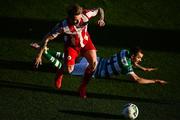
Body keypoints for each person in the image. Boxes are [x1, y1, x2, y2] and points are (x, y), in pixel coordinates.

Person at [34, 3, 105, 98]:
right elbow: (46, 38)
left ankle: (82, 88)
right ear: (69, 17)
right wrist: (39, 55)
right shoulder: (62, 26)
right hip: (72, 47)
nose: (77, 22)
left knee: (94, 64)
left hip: (86, 43)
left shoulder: (86, 14)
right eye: (74, 20)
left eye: (78, 19)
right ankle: (60, 72)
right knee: (69, 70)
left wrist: (101, 19)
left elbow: (100, 9)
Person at [31, 43, 167, 84]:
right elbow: (137, 80)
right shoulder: (126, 65)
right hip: (93, 68)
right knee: (66, 69)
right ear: (132, 56)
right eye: (139, 58)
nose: (140, 60)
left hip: (96, 59)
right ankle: (43, 52)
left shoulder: (124, 51)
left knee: (71, 58)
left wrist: (143, 68)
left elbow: (132, 63)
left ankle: (48, 50)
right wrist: (155, 81)